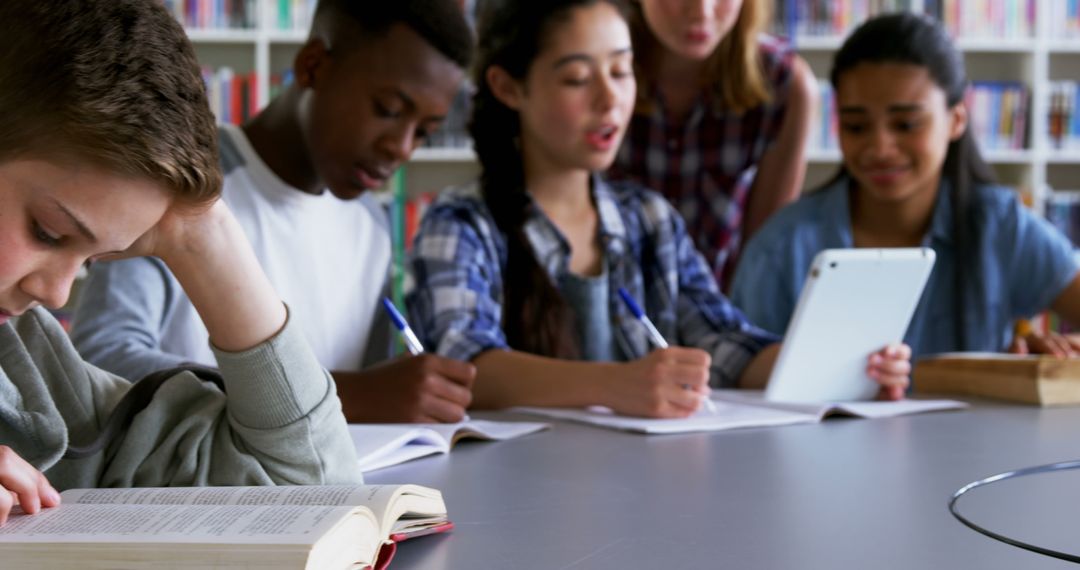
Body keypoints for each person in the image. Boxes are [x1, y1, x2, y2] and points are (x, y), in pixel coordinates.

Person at [407, 0, 911, 420]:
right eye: (578, 79)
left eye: (622, 71)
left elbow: (723, 340)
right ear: (508, 87)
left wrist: (845, 366)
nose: (610, 100)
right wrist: (615, 385)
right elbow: (464, 365)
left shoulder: (649, 218)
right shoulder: (460, 223)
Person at [0, 0, 361, 526]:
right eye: (47, 231)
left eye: (95, 256)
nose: (56, 295)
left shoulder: (31, 367)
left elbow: (312, 495)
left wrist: (201, 232)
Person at [70, 0, 478, 423]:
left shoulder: (372, 228)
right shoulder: (179, 186)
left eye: (425, 133)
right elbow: (102, 359)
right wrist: (341, 395)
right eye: (388, 110)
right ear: (314, 66)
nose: (402, 146)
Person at [730, 13, 1080, 359]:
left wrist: (1049, 360)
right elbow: (741, 378)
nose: (880, 148)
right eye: (855, 126)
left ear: (956, 120)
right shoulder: (782, 247)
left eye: (906, 124)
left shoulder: (1001, 224)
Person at [607, 0, 816, 288]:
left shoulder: (784, 84)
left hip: (719, 308)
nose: (702, 11)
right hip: (608, 301)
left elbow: (761, 255)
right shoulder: (595, 72)